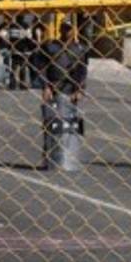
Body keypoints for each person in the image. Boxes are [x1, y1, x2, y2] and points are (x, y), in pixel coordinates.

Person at [37, 20, 89, 170]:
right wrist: (45, 86)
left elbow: (82, 71)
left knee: (69, 125)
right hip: (53, 89)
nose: (67, 32)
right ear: (60, 29)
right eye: (64, 29)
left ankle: (69, 157)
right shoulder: (50, 47)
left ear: (74, 31)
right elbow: (41, 67)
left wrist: (79, 90)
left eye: (69, 29)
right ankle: (49, 157)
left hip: (70, 90)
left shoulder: (79, 49)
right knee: (51, 125)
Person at [9, 12, 39, 90]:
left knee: (14, 67)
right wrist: (30, 47)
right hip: (23, 49)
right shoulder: (26, 26)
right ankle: (22, 85)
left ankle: (12, 84)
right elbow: (29, 38)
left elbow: (10, 38)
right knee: (22, 68)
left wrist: (10, 46)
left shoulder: (12, 26)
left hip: (15, 49)